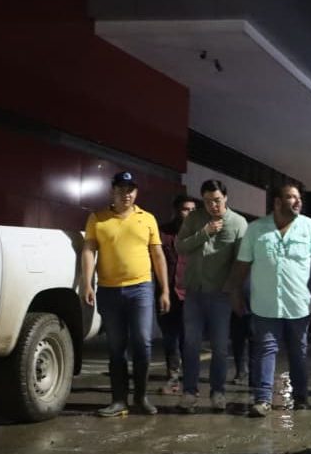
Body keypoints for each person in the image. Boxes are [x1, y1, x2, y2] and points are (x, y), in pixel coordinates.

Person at [81, 171, 171, 417]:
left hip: (141, 288)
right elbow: (88, 251)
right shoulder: (97, 219)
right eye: (121, 189)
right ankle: (118, 400)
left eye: (130, 189)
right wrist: (86, 283)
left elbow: (158, 255)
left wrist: (164, 290)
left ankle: (141, 398)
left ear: (136, 192)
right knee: (116, 346)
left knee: (142, 343)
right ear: (113, 191)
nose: (126, 194)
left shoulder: (147, 219)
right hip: (109, 291)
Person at [226, 183, 311, 417]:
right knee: (265, 350)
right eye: (291, 197)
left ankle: (301, 397)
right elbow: (242, 264)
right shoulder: (256, 230)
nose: (297, 201)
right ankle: (263, 399)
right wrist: (235, 292)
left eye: (299, 197)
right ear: (277, 202)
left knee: (299, 352)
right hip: (265, 304)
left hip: (299, 304)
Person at [177, 179, 248, 413]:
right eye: (207, 202)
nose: (213, 206)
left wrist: (233, 290)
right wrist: (204, 233)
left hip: (220, 295)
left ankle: (218, 392)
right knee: (191, 344)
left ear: (225, 198)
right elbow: (180, 246)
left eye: (217, 200)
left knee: (220, 347)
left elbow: (241, 261)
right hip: (194, 293)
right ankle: (190, 392)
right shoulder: (194, 218)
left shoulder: (238, 223)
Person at [158, 194, 196, 395]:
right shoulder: (163, 233)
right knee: (170, 338)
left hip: (191, 295)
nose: (189, 213)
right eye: (185, 209)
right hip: (167, 294)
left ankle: (189, 381)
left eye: (192, 209)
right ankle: (173, 378)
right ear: (176, 211)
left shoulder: (199, 234)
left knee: (188, 339)